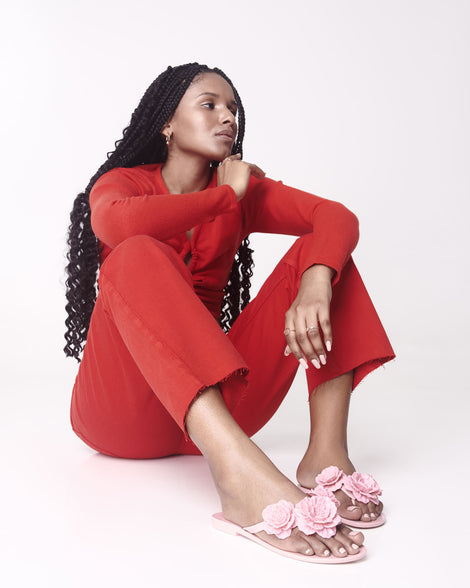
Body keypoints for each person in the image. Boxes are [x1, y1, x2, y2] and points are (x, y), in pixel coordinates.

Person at [64, 62, 395, 564]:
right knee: (137, 252)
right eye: (210, 105)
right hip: (121, 417)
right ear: (167, 124)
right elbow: (115, 224)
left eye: (233, 109)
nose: (228, 118)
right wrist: (225, 197)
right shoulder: (125, 183)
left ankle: (326, 453)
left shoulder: (242, 191)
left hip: (212, 416)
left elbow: (335, 216)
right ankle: (241, 479)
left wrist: (314, 281)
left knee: (326, 257)